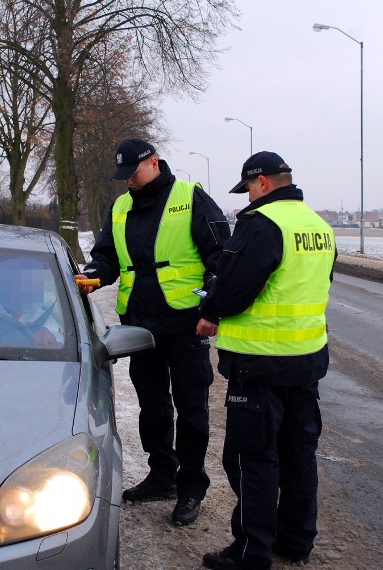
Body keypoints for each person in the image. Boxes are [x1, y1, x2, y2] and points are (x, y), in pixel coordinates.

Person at [76, 137, 230, 526]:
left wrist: (212, 299)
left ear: (155, 162)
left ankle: (191, 486)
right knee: (152, 404)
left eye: (133, 173)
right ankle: (162, 476)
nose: (128, 182)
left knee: (191, 408)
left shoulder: (190, 197)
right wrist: (95, 275)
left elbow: (221, 255)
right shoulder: (121, 206)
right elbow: (107, 256)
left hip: (184, 323)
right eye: (123, 176)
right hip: (140, 322)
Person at [196, 152, 336, 569]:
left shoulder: (262, 225)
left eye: (249, 189)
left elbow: (236, 289)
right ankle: (295, 542)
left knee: (253, 459)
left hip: (259, 364)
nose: (248, 198)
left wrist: (210, 310)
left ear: (262, 184)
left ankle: (250, 553)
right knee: (298, 454)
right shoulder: (318, 226)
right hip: (306, 360)